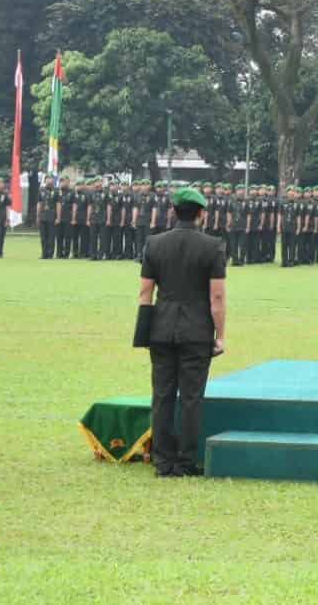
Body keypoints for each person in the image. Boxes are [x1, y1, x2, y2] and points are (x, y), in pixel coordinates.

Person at [139, 185, 227, 478]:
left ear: (173, 212)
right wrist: (220, 335)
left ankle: (163, 462)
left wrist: (143, 332)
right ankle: (186, 461)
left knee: (162, 395)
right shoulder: (213, 246)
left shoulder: (154, 243)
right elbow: (216, 298)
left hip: (161, 329)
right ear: (201, 213)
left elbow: (145, 294)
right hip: (196, 331)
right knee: (191, 397)